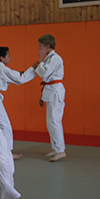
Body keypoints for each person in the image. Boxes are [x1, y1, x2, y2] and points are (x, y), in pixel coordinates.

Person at [0, 47, 38, 159]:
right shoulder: (1, 68)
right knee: (5, 126)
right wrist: (32, 69)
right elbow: (20, 79)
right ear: (2, 58)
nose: (10, 58)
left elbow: (8, 78)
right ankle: (7, 153)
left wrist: (20, 74)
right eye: (8, 56)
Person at [35, 34, 66, 162]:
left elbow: (45, 74)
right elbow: (45, 77)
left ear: (48, 46)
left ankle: (60, 150)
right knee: (50, 122)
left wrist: (40, 60)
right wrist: (42, 96)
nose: (39, 48)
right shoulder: (49, 58)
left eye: (41, 46)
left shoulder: (55, 58)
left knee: (54, 121)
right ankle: (55, 148)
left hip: (55, 91)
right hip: (50, 90)